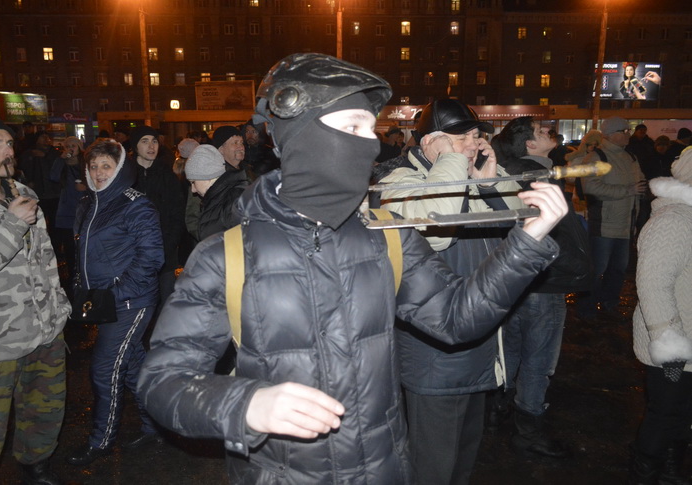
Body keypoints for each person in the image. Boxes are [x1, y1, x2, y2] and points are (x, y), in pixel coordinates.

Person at [137, 53, 568, 484]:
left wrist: (525, 244)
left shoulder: (388, 237)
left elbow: (457, 318)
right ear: (302, 134)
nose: (372, 144)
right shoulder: (226, 256)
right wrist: (246, 404)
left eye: (370, 128)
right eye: (352, 128)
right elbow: (162, 381)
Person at [376, 98, 525, 484]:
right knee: (432, 469)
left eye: (477, 137)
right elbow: (436, 231)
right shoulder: (397, 183)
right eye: (465, 139)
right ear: (432, 143)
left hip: (480, 344)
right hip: (436, 355)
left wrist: (490, 182)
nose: (475, 146)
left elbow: (522, 223)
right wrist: (452, 161)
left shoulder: (468, 176)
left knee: (461, 463)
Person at [0, 114, 71, 484]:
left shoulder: (23, 192)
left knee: (44, 410)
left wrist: (59, 307)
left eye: (8, 142)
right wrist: (10, 225)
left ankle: (35, 466)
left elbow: (44, 259)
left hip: (45, 330)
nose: (7, 150)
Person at [491, 116, 593, 460]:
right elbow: (543, 235)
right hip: (543, 282)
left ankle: (499, 413)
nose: (549, 132)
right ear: (529, 145)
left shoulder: (515, 170)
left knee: (513, 351)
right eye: (541, 131)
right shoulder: (533, 176)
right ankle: (528, 432)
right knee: (539, 360)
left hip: (516, 282)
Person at [66, 139, 164, 466]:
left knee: (104, 370)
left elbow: (151, 259)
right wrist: (81, 288)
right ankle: (155, 428)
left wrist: (115, 293)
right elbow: (83, 253)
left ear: (120, 167)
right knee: (134, 367)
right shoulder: (88, 202)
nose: (98, 172)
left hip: (129, 303)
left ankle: (101, 441)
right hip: (103, 301)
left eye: (106, 166)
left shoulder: (135, 205)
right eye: (93, 166)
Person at [629, 147, 692, 484]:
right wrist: (670, 345)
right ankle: (644, 473)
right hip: (674, 344)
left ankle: (671, 467)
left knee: (683, 413)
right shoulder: (674, 220)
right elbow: (653, 284)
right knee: (665, 413)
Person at [578, 117, 646, 318]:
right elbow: (590, 187)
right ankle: (587, 308)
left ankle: (609, 304)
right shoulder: (596, 157)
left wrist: (641, 190)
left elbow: (639, 180)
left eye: (628, 130)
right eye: (624, 131)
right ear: (609, 135)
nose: (628, 134)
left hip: (626, 224)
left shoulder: (630, 157)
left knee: (618, 269)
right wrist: (628, 190)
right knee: (597, 269)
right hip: (604, 225)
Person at [129, 125, 185, 315]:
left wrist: (169, 244)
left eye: (154, 141)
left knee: (166, 305)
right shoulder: (126, 176)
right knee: (138, 304)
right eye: (145, 141)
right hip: (133, 255)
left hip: (164, 253)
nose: (151, 146)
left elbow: (177, 213)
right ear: (135, 146)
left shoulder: (167, 175)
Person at [185, 144, 248, 241]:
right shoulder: (218, 197)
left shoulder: (233, 201)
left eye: (193, 182)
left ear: (206, 176)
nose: (193, 189)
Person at [49, 136, 87, 288]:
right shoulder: (62, 164)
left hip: (83, 209)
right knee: (70, 248)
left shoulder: (85, 164)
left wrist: (86, 188)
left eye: (74, 145)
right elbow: (53, 177)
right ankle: (72, 280)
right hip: (66, 210)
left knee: (83, 246)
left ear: (79, 148)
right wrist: (60, 159)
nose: (71, 148)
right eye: (68, 146)